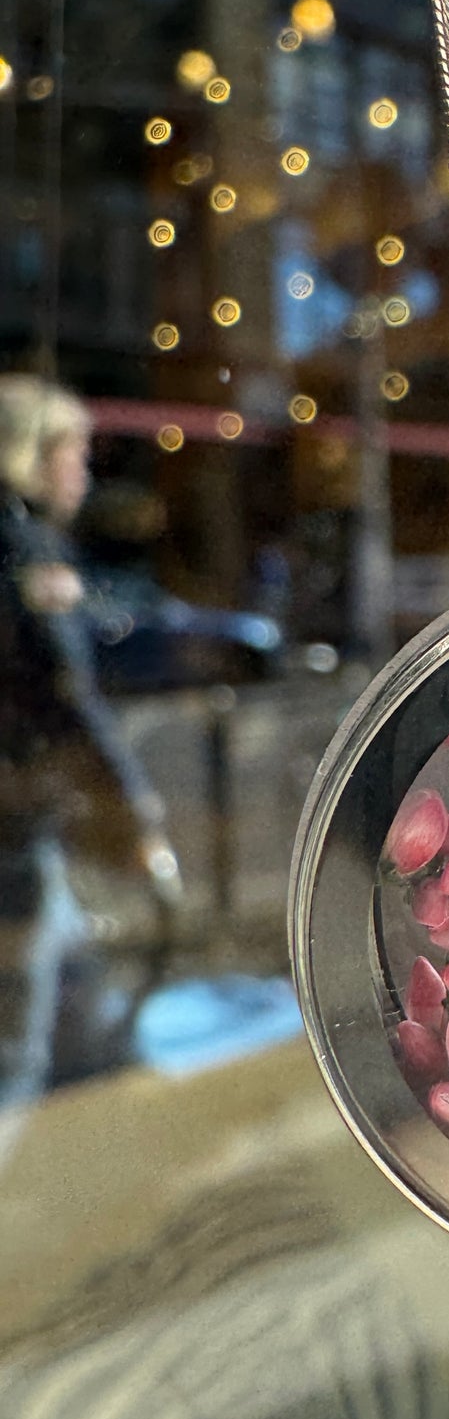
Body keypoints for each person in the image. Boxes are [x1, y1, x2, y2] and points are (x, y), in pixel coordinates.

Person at [0, 374, 179, 1134]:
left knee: (76, 989)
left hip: (23, 824)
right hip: (13, 830)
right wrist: (133, 810)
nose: (84, 471)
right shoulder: (25, 550)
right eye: (74, 451)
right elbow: (65, 698)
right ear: (33, 455)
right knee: (14, 1050)